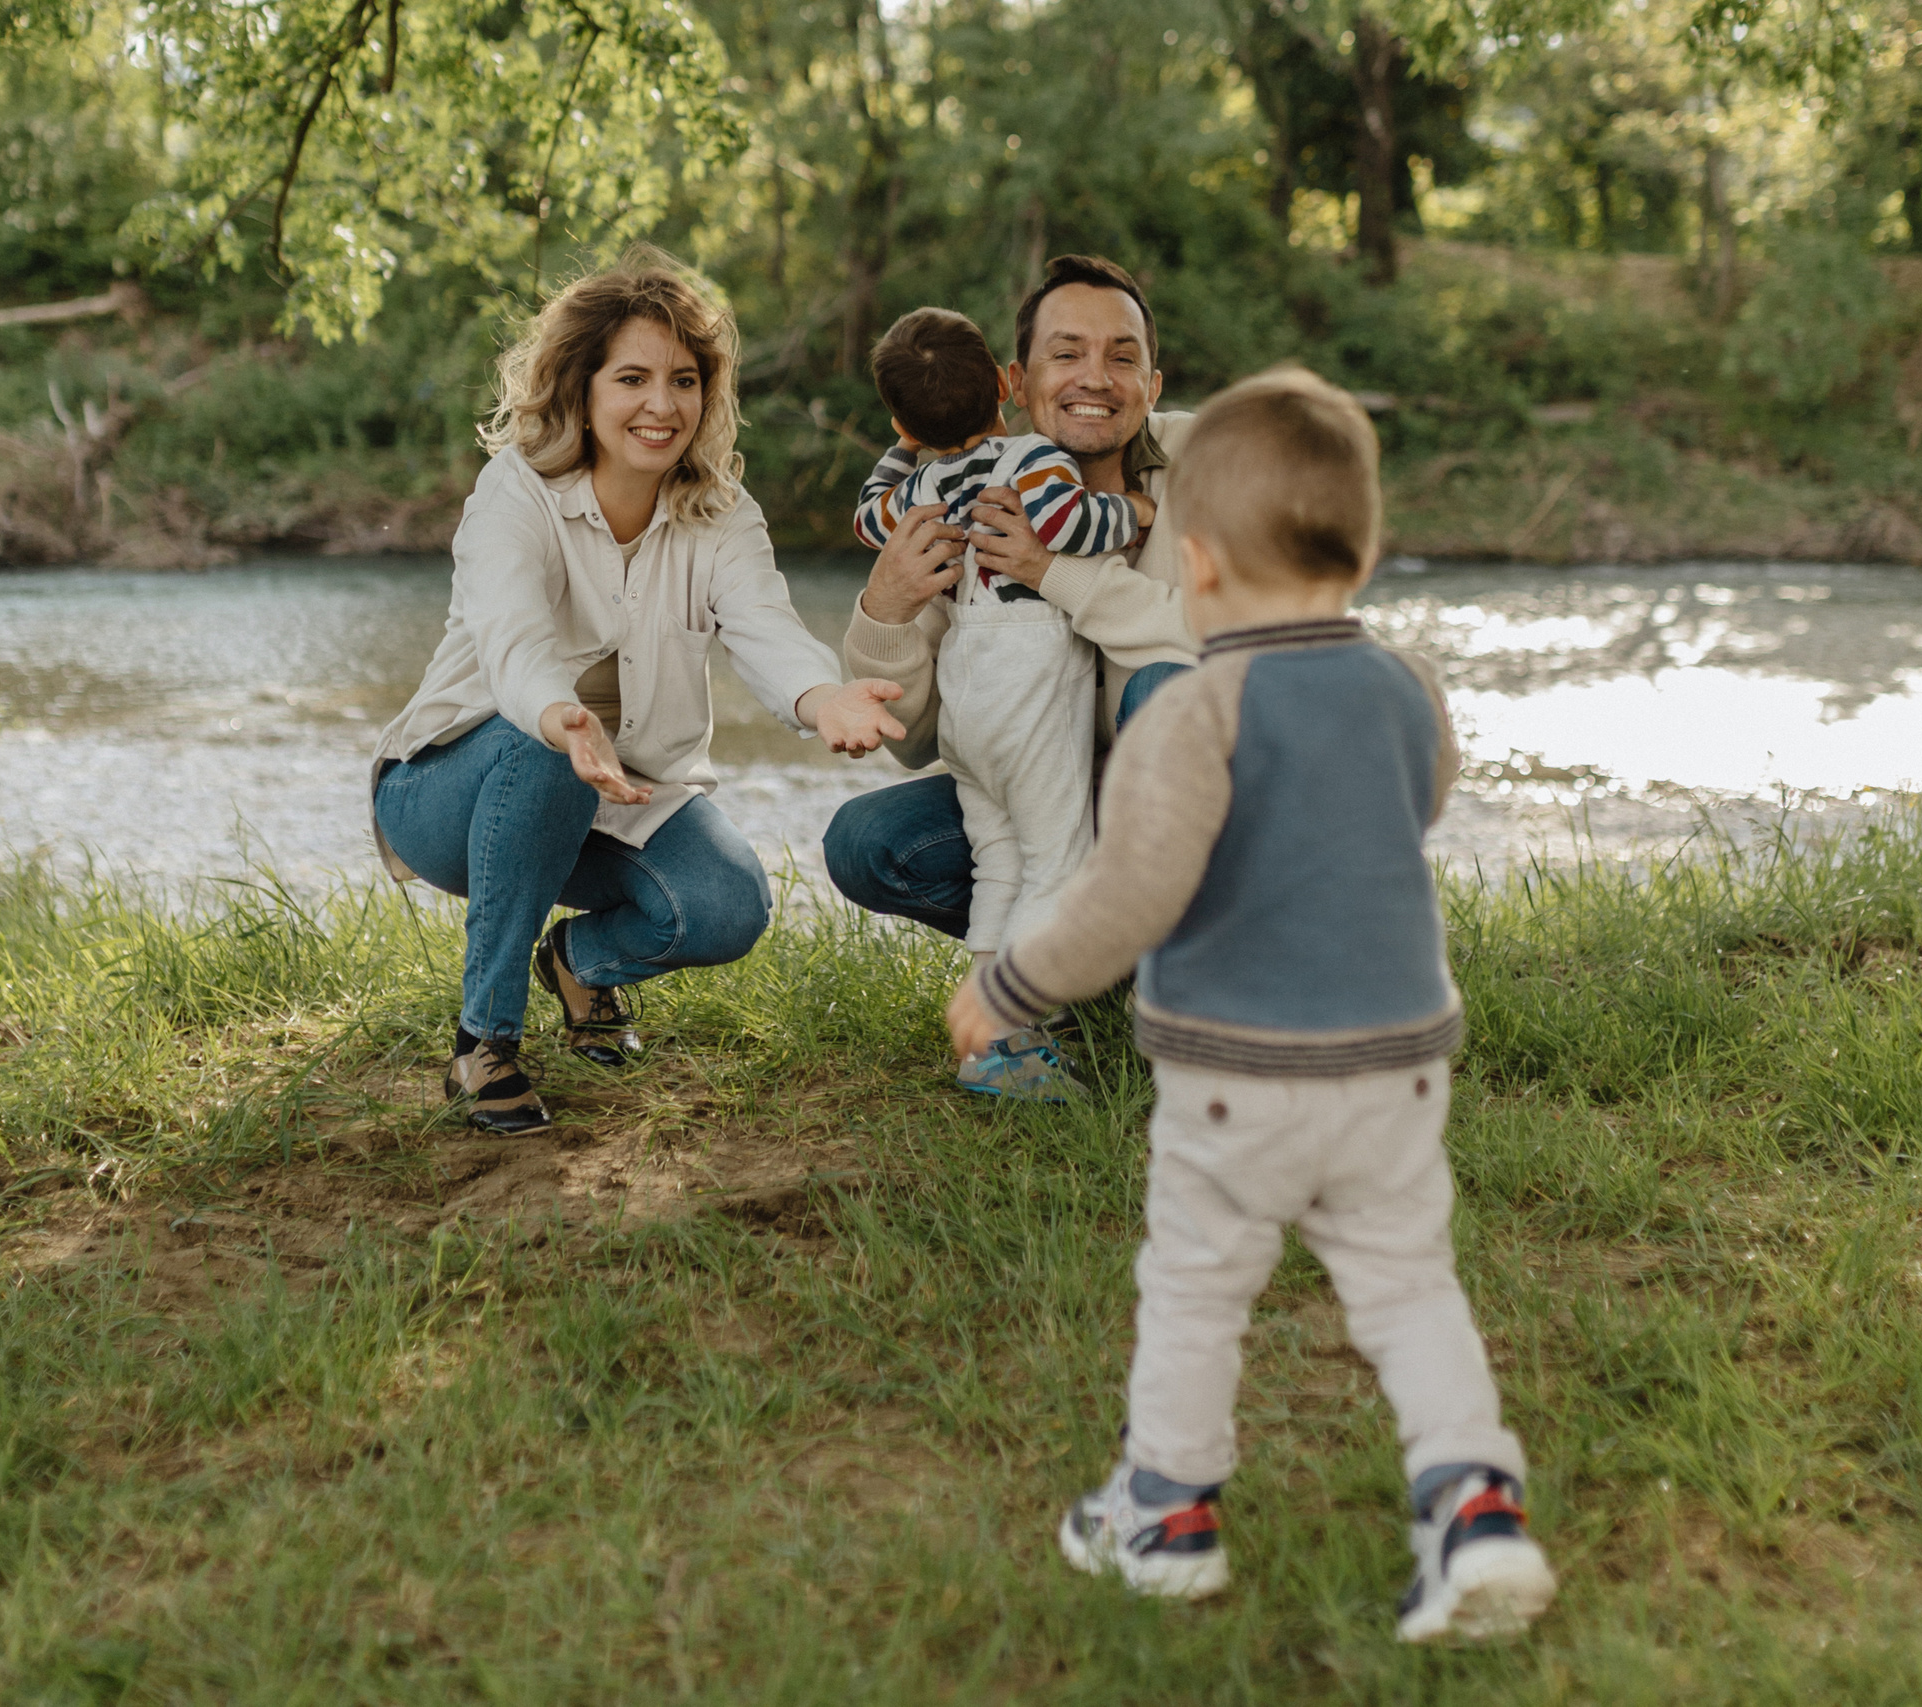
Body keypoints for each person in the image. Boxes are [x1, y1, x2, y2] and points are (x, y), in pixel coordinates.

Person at [943, 367, 1556, 1639]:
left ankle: (1166, 1515)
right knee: (1406, 1284)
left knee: (1196, 1285)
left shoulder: (1197, 709)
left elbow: (1128, 894)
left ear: (1198, 563)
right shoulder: (1407, 687)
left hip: (1239, 1075)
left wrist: (1011, 984)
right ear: (1363, 551)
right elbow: (1418, 802)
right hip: (1395, 1067)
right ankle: (1474, 1508)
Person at [370, 249, 908, 1133]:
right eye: (632, 379)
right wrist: (563, 719)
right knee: (546, 754)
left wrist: (823, 697)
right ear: (581, 388)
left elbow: (766, 626)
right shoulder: (515, 492)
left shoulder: (722, 514)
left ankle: (578, 963)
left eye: (683, 381)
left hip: (617, 797)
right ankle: (484, 1040)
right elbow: (512, 640)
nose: (663, 405)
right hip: (445, 792)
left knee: (727, 904)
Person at [826, 256, 1198, 1100]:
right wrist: (885, 606)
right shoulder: (1031, 465)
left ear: (1153, 383)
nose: (1095, 377)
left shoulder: (1210, 459)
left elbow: (1258, 645)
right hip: (1031, 741)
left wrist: (1047, 570)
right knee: (926, 846)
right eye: (1067, 353)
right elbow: (909, 738)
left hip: (1155, 783)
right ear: (1015, 382)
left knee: (1164, 699)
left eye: (1122, 356)